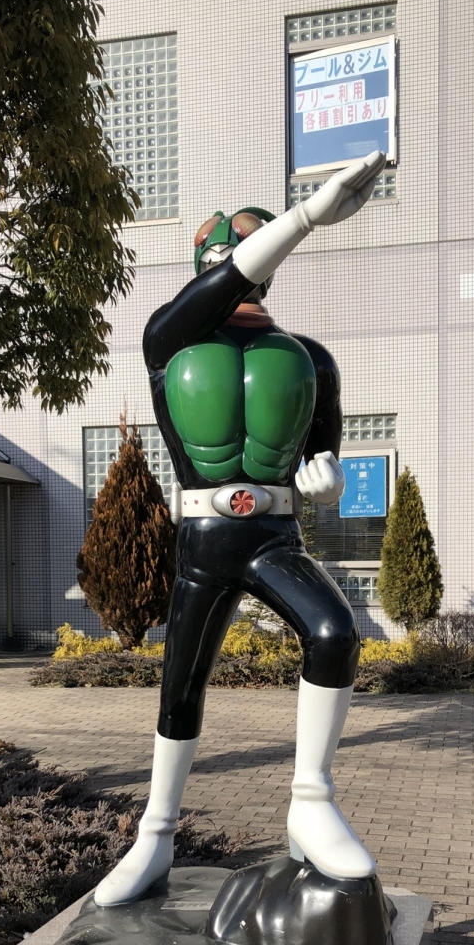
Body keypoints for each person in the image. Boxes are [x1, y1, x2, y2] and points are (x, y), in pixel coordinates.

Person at [94, 150, 387, 907]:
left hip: (272, 538)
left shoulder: (308, 359)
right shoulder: (168, 340)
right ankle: (154, 837)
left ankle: (310, 802)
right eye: (218, 253)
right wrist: (307, 217)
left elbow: (322, 457)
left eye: (243, 247)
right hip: (202, 540)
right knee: (180, 685)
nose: (231, 261)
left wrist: (325, 480)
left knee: (333, 632)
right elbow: (221, 286)